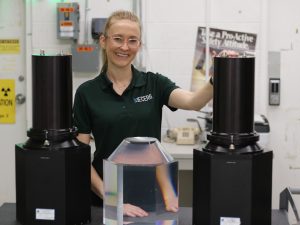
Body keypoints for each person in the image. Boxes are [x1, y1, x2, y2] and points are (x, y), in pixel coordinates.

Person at [73, 10, 214, 217]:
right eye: (118, 39)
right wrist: (112, 199)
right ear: (103, 41)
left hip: (150, 195)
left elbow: (194, 102)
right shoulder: (87, 92)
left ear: (139, 45)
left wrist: (216, 78)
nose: (124, 47)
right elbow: (80, 156)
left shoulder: (154, 84)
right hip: (104, 197)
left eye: (132, 40)